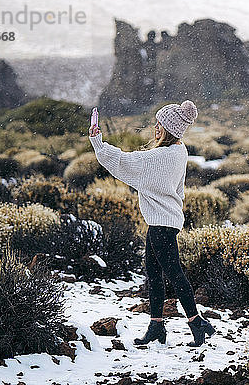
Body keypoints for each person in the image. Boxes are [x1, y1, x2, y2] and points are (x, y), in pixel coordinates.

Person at [88, 100, 216, 347]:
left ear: (168, 129)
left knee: (174, 275)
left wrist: (98, 142)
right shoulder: (180, 151)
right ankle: (156, 326)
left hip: (161, 226)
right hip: (164, 222)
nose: (155, 128)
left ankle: (197, 322)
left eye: (159, 124)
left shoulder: (159, 157)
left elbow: (125, 162)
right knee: (155, 274)